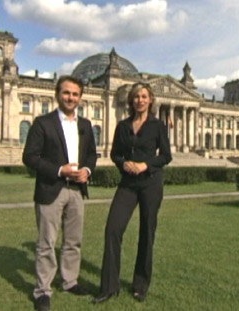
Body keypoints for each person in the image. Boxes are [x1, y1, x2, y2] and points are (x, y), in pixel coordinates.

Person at [22, 76, 97, 311]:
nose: (71, 98)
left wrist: (86, 170)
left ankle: (69, 281)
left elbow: (92, 155)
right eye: (66, 93)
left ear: (80, 97)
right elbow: (30, 157)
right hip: (51, 189)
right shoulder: (42, 122)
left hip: (76, 190)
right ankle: (43, 290)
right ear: (57, 94)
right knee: (46, 242)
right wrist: (58, 170)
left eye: (75, 94)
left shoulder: (85, 125)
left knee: (73, 241)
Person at [93, 82, 172, 304]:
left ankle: (140, 285)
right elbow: (115, 153)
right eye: (136, 97)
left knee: (147, 233)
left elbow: (166, 156)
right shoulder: (122, 126)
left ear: (150, 100)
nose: (140, 100)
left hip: (150, 183)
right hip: (128, 183)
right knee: (112, 229)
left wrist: (146, 165)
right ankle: (109, 287)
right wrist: (124, 163)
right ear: (131, 100)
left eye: (144, 96)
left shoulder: (157, 126)